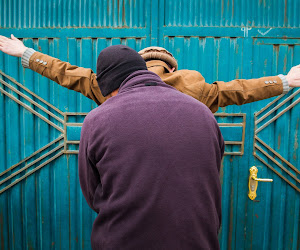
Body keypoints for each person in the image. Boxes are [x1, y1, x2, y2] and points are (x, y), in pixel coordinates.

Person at [78, 45, 224, 249]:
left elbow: (93, 193)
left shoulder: (97, 120)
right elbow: (211, 177)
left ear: (110, 85)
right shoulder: (204, 114)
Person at [1, 35, 299, 113]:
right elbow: (242, 89)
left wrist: (26, 53)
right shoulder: (195, 85)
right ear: (172, 67)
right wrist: (285, 81)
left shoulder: (107, 83)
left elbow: (65, 72)